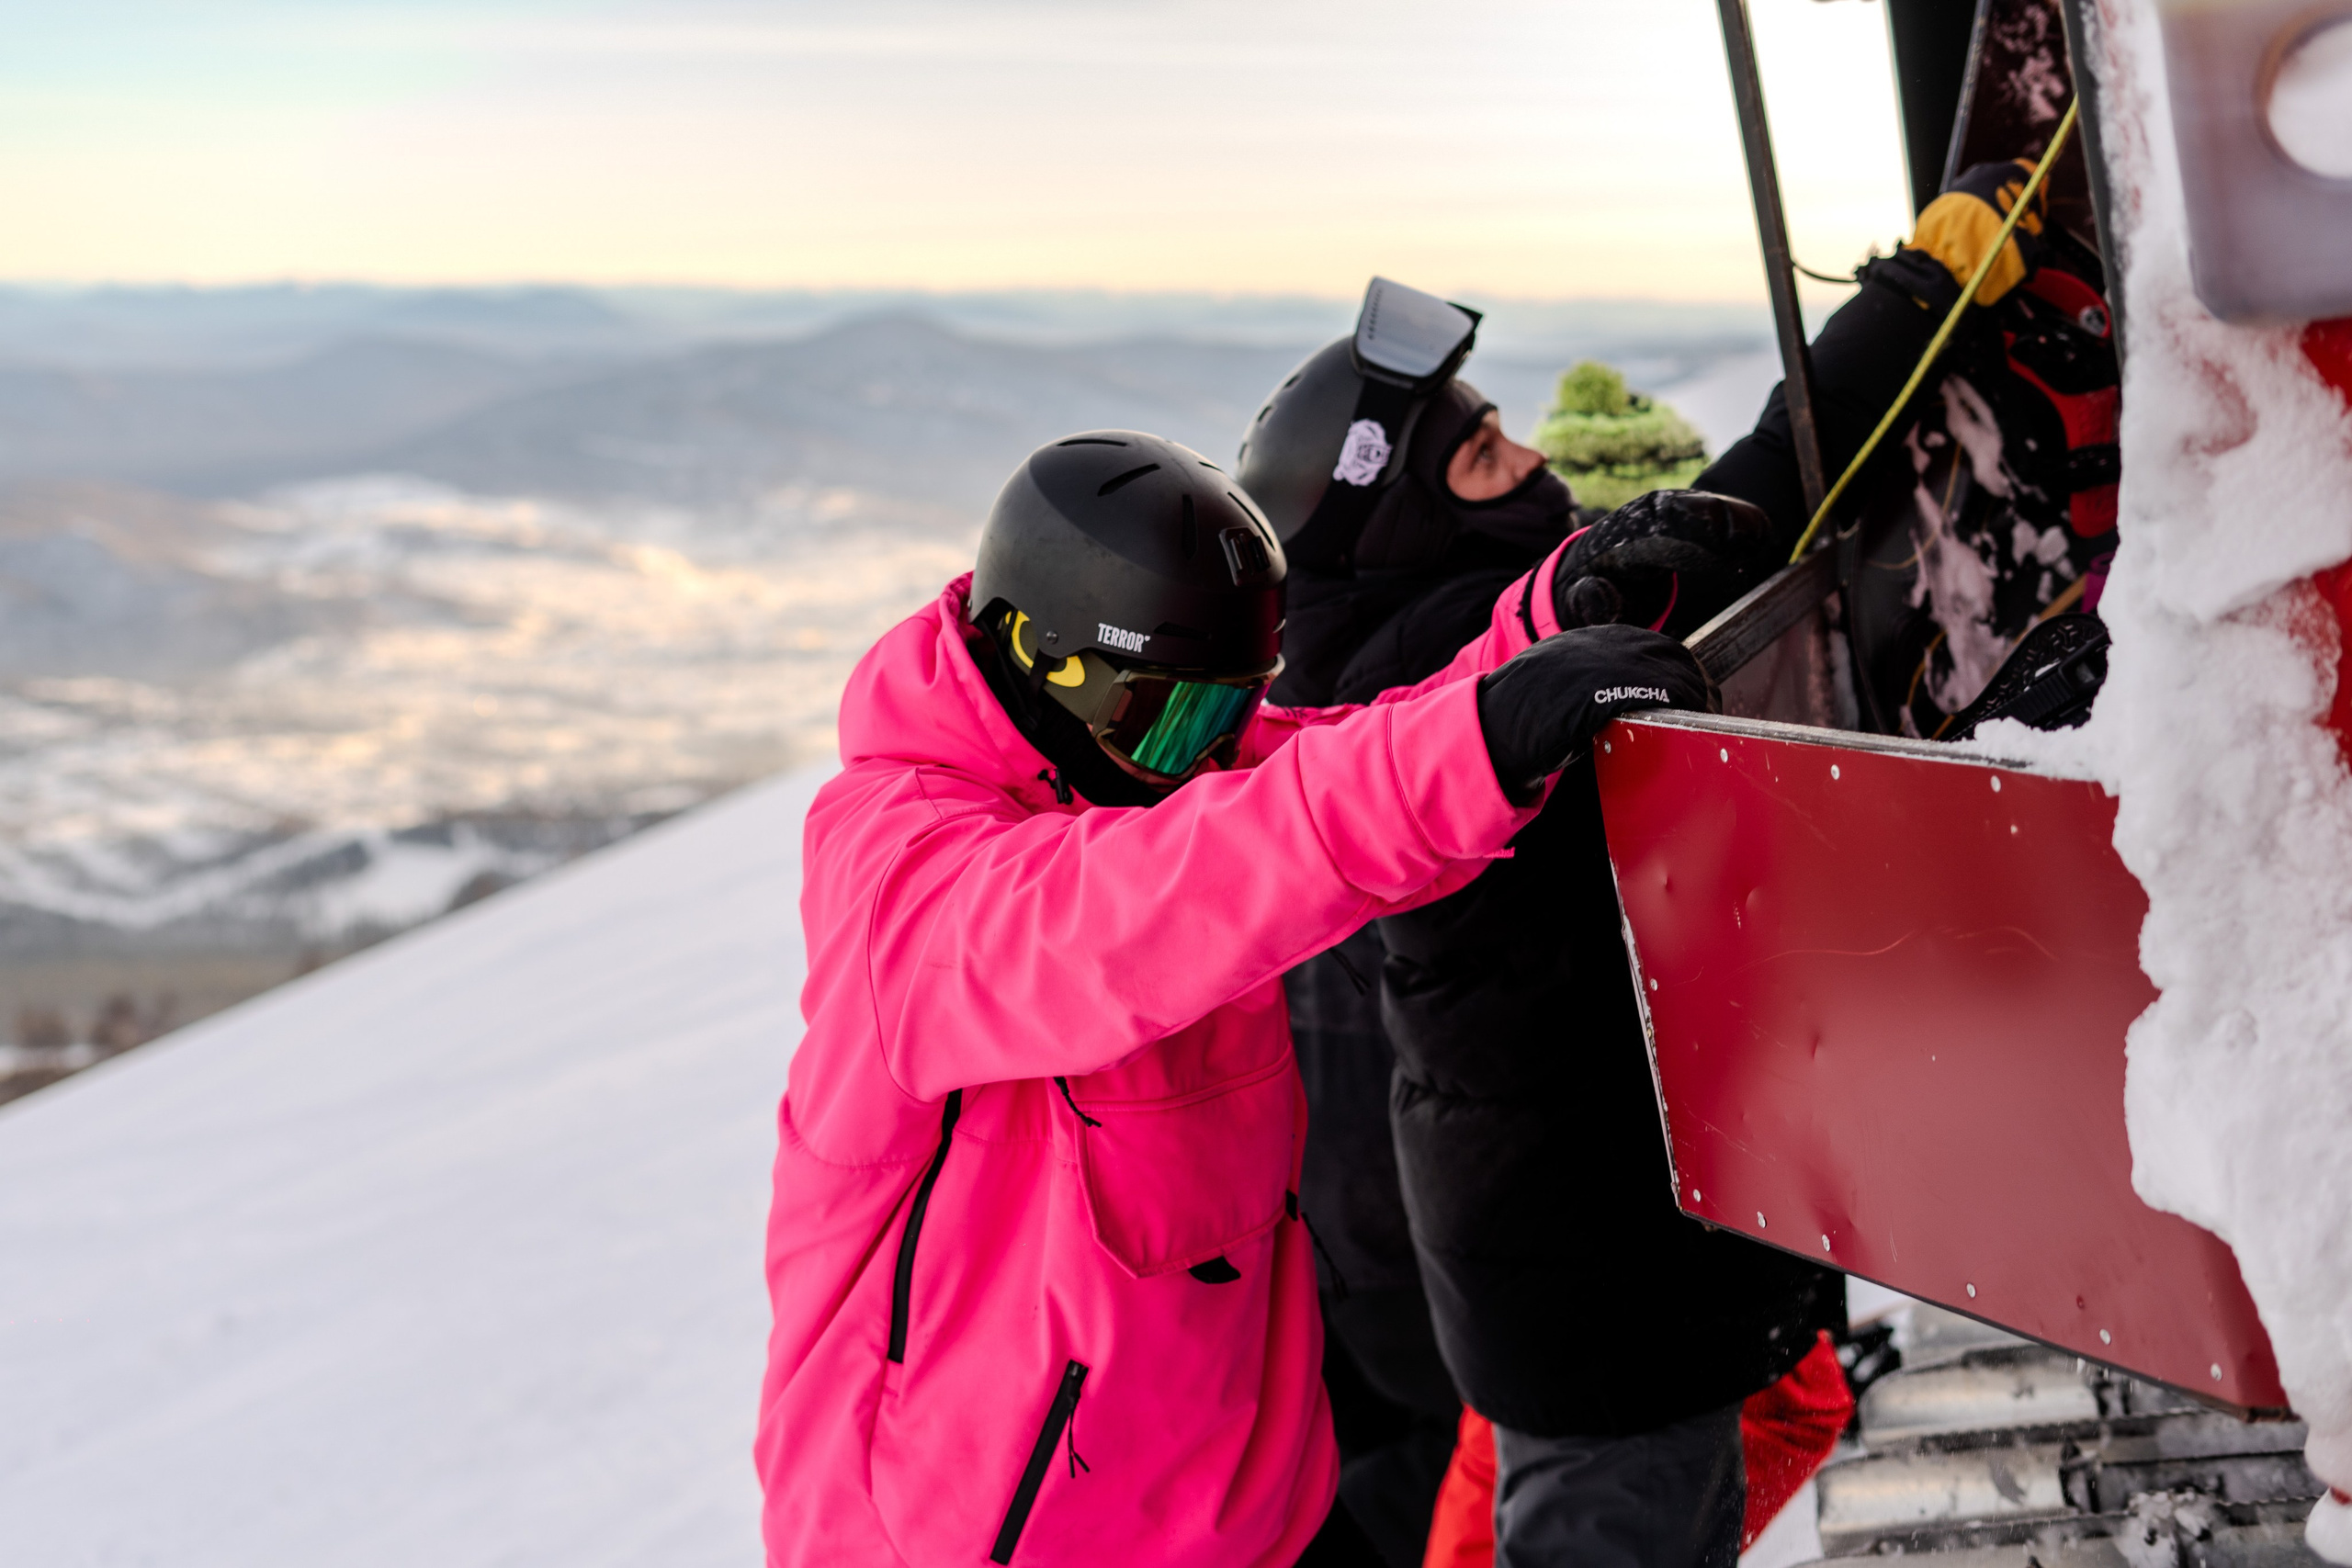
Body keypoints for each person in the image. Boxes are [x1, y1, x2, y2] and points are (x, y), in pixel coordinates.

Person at [755, 397, 1714, 1566]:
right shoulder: (903, 877)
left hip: (1252, 1509)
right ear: (1034, 659)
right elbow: (1151, 897)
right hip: (989, 1538)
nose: (1209, 762)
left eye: (1230, 711)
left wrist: (1542, 624)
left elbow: (1329, 761)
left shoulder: (1128, 765)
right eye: (1174, 725)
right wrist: (1478, 741)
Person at [1238, 290, 1845, 1568]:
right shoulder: (1401, 683)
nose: (1529, 464)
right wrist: (1901, 308)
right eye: (1481, 456)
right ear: (1400, 519)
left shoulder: (1421, 638)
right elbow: (1502, 663)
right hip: (1579, 1274)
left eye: (1502, 430)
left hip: (1575, 1249)